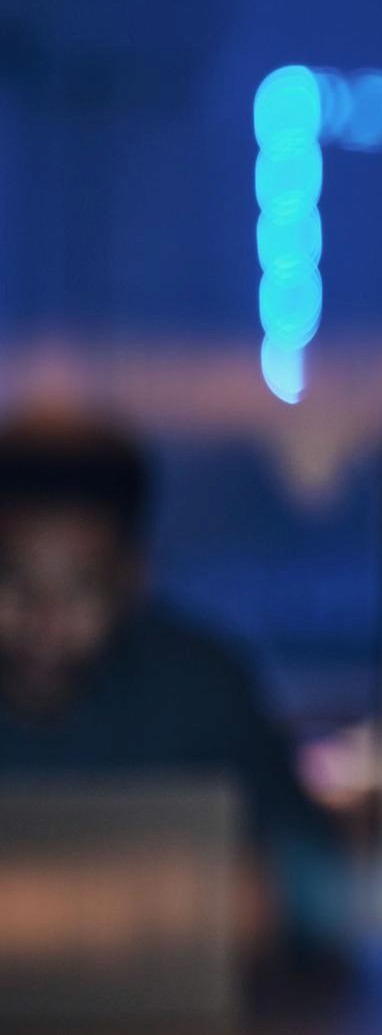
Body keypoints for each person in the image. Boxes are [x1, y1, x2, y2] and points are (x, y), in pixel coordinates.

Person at [0, 403, 350, 971]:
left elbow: (328, 892)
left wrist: (265, 896)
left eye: (78, 590)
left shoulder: (203, 684)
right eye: (12, 581)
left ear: (132, 576)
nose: (43, 623)